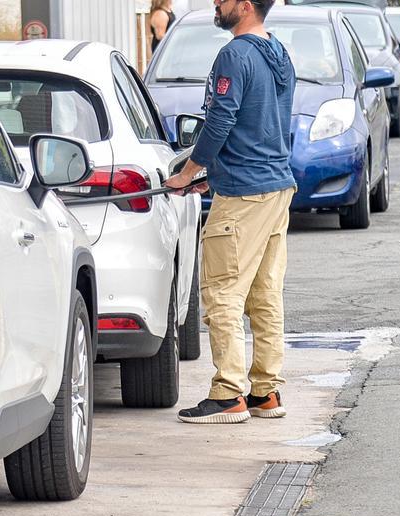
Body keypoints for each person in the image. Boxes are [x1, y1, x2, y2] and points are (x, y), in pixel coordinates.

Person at [164, 0, 296, 424]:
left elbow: (220, 123)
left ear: (245, 5)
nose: (215, 4)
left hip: (244, 195)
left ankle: (227, 395)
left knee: (222, 292)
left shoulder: (234, 55)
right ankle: (265, 392)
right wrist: (215, 173)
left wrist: (188, 173)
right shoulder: (278, 52)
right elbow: (263, 124)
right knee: (264, 294)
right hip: (276, 187)